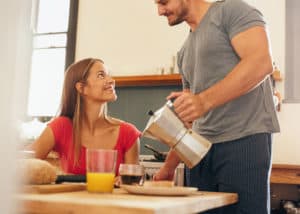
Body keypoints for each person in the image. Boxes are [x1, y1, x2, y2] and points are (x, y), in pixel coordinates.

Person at [153, 0, 280, 213]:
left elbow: (261, 62)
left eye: (163, 2)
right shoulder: (184, 53)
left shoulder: (231, 11)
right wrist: (169, 167)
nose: (159, 11)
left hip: (243, 141)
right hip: (200, 153)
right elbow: (190, 120)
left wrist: (203, 101)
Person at [28, 58, 141, 179]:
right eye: (101, 75)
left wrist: (125, 181)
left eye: (109, 75)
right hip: (69, 198)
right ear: (82, 88)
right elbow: (22, 164)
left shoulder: (128, 133)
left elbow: (132, 185)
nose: (111, 80)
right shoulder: (61, 127)